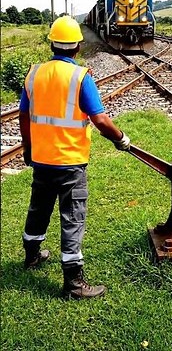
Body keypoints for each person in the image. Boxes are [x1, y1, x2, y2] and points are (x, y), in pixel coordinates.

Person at [19, 16, 130, 300]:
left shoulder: (34, 74)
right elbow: (101, 120)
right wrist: (120, 139)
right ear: (78, 47)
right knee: (72, 217)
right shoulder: (81, 77)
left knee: (39, 208)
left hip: (42, 159)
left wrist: (28, 148)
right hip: (70, 162)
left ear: (52, 44)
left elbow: (23, 115)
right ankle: (73, 283)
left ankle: (32, 256)